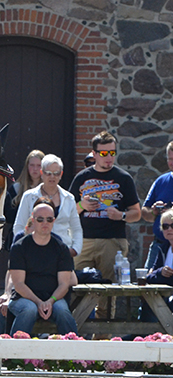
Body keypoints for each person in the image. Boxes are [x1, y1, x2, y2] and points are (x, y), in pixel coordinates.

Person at [69, 131, 141, 311]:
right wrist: (82, 205)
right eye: (103, 153)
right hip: (83, 241)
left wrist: (121, 215)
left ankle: (103, 337)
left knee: (108, 293)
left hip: (112, 242)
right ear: (94, 154)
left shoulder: (124, 178)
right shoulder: (82, 177)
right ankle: (73, 334)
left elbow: (137, 213)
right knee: (74, 286)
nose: (108, 157)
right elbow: (67, 212)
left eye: (112, 152)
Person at [6, 203, 77, 336]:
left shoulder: (61, 249)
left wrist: (50, 301)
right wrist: (39, 302)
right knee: (29, 309)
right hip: (23, 298)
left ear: (53, 221)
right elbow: (19, 284)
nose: (45, 222)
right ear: (33, 220)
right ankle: (14, 352)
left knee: (62, 310)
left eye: (49, 219)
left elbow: (64, 284)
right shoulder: (19, 247)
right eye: (40, 219)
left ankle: (74, 352)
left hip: (54, 298)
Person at [13, 154, 82, 256]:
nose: (52, 177)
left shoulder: (69, 198)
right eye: (48, 173)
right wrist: (26, 246)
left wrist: (75, 249)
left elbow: (76, 229)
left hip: (62, 252)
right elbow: (19, 226)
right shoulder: (29, 196)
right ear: (42, 173)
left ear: (61, 174)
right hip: (34, 252)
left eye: (56, 173)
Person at [141, 141, 173, 269]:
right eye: (170, 159)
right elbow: (144, 212)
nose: (172, 162)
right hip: (159, 244)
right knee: (148, 283)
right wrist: (154, 211)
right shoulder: (161, 181)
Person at [5, 150, 44, 249]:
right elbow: (9, 217)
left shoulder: (49, 189)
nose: (35, 169)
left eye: (38, 165)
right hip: (22, 237)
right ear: (27, 167)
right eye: (32, 165)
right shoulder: (16, 189)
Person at [140, 209, 173, 322]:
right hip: (164, 294)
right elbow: (149, 277)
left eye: (172, 225)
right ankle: (143, 335)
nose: (169, 229)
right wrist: (160, 273)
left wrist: (159, 275)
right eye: (165, 226)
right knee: (148, 302)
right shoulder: (163, 248)